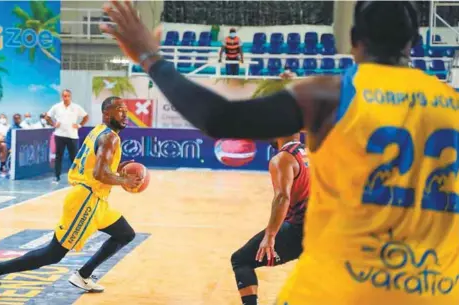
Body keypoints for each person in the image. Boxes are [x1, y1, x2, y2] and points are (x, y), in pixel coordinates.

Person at [102, 1, 459, 304]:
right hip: (437, 290)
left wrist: (150, 58)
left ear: (353, 41)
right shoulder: (453, 106)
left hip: (340, 287)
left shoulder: (331, 95)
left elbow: (220, 117)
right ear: (416, 41)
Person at [0, 96, 143, 299]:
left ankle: (83, 274)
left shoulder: (99, 132)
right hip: (86, 200)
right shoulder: (110, 137)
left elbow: (97, 167)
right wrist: (123, 180)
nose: (124, 114)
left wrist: (119, 169)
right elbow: (100, 174)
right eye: (119, 110)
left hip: (97, 199)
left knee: (125, 234)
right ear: (107, 113)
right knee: (53, 254)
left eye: (126, 110)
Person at [231, 134, 309, 305]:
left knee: (241, 260)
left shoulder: (283, 159)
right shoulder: (310, 153)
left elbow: (282, 197)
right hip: (320, 229)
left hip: (299, 231)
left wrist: (270, 235)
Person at [45, 89, 89, 184]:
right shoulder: (56, 107)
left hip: (72, 135)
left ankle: (76, 177)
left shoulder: (76, 107)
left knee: (74, 157)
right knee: (58, 156)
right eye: (64, 96)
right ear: (62, 97)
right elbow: (47, 116)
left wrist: (79, 125)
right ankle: (56, 176)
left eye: (68, 96)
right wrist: (53, 124)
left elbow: (86, 117)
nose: (66, 98)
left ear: (70, 96)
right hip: (59, 135)